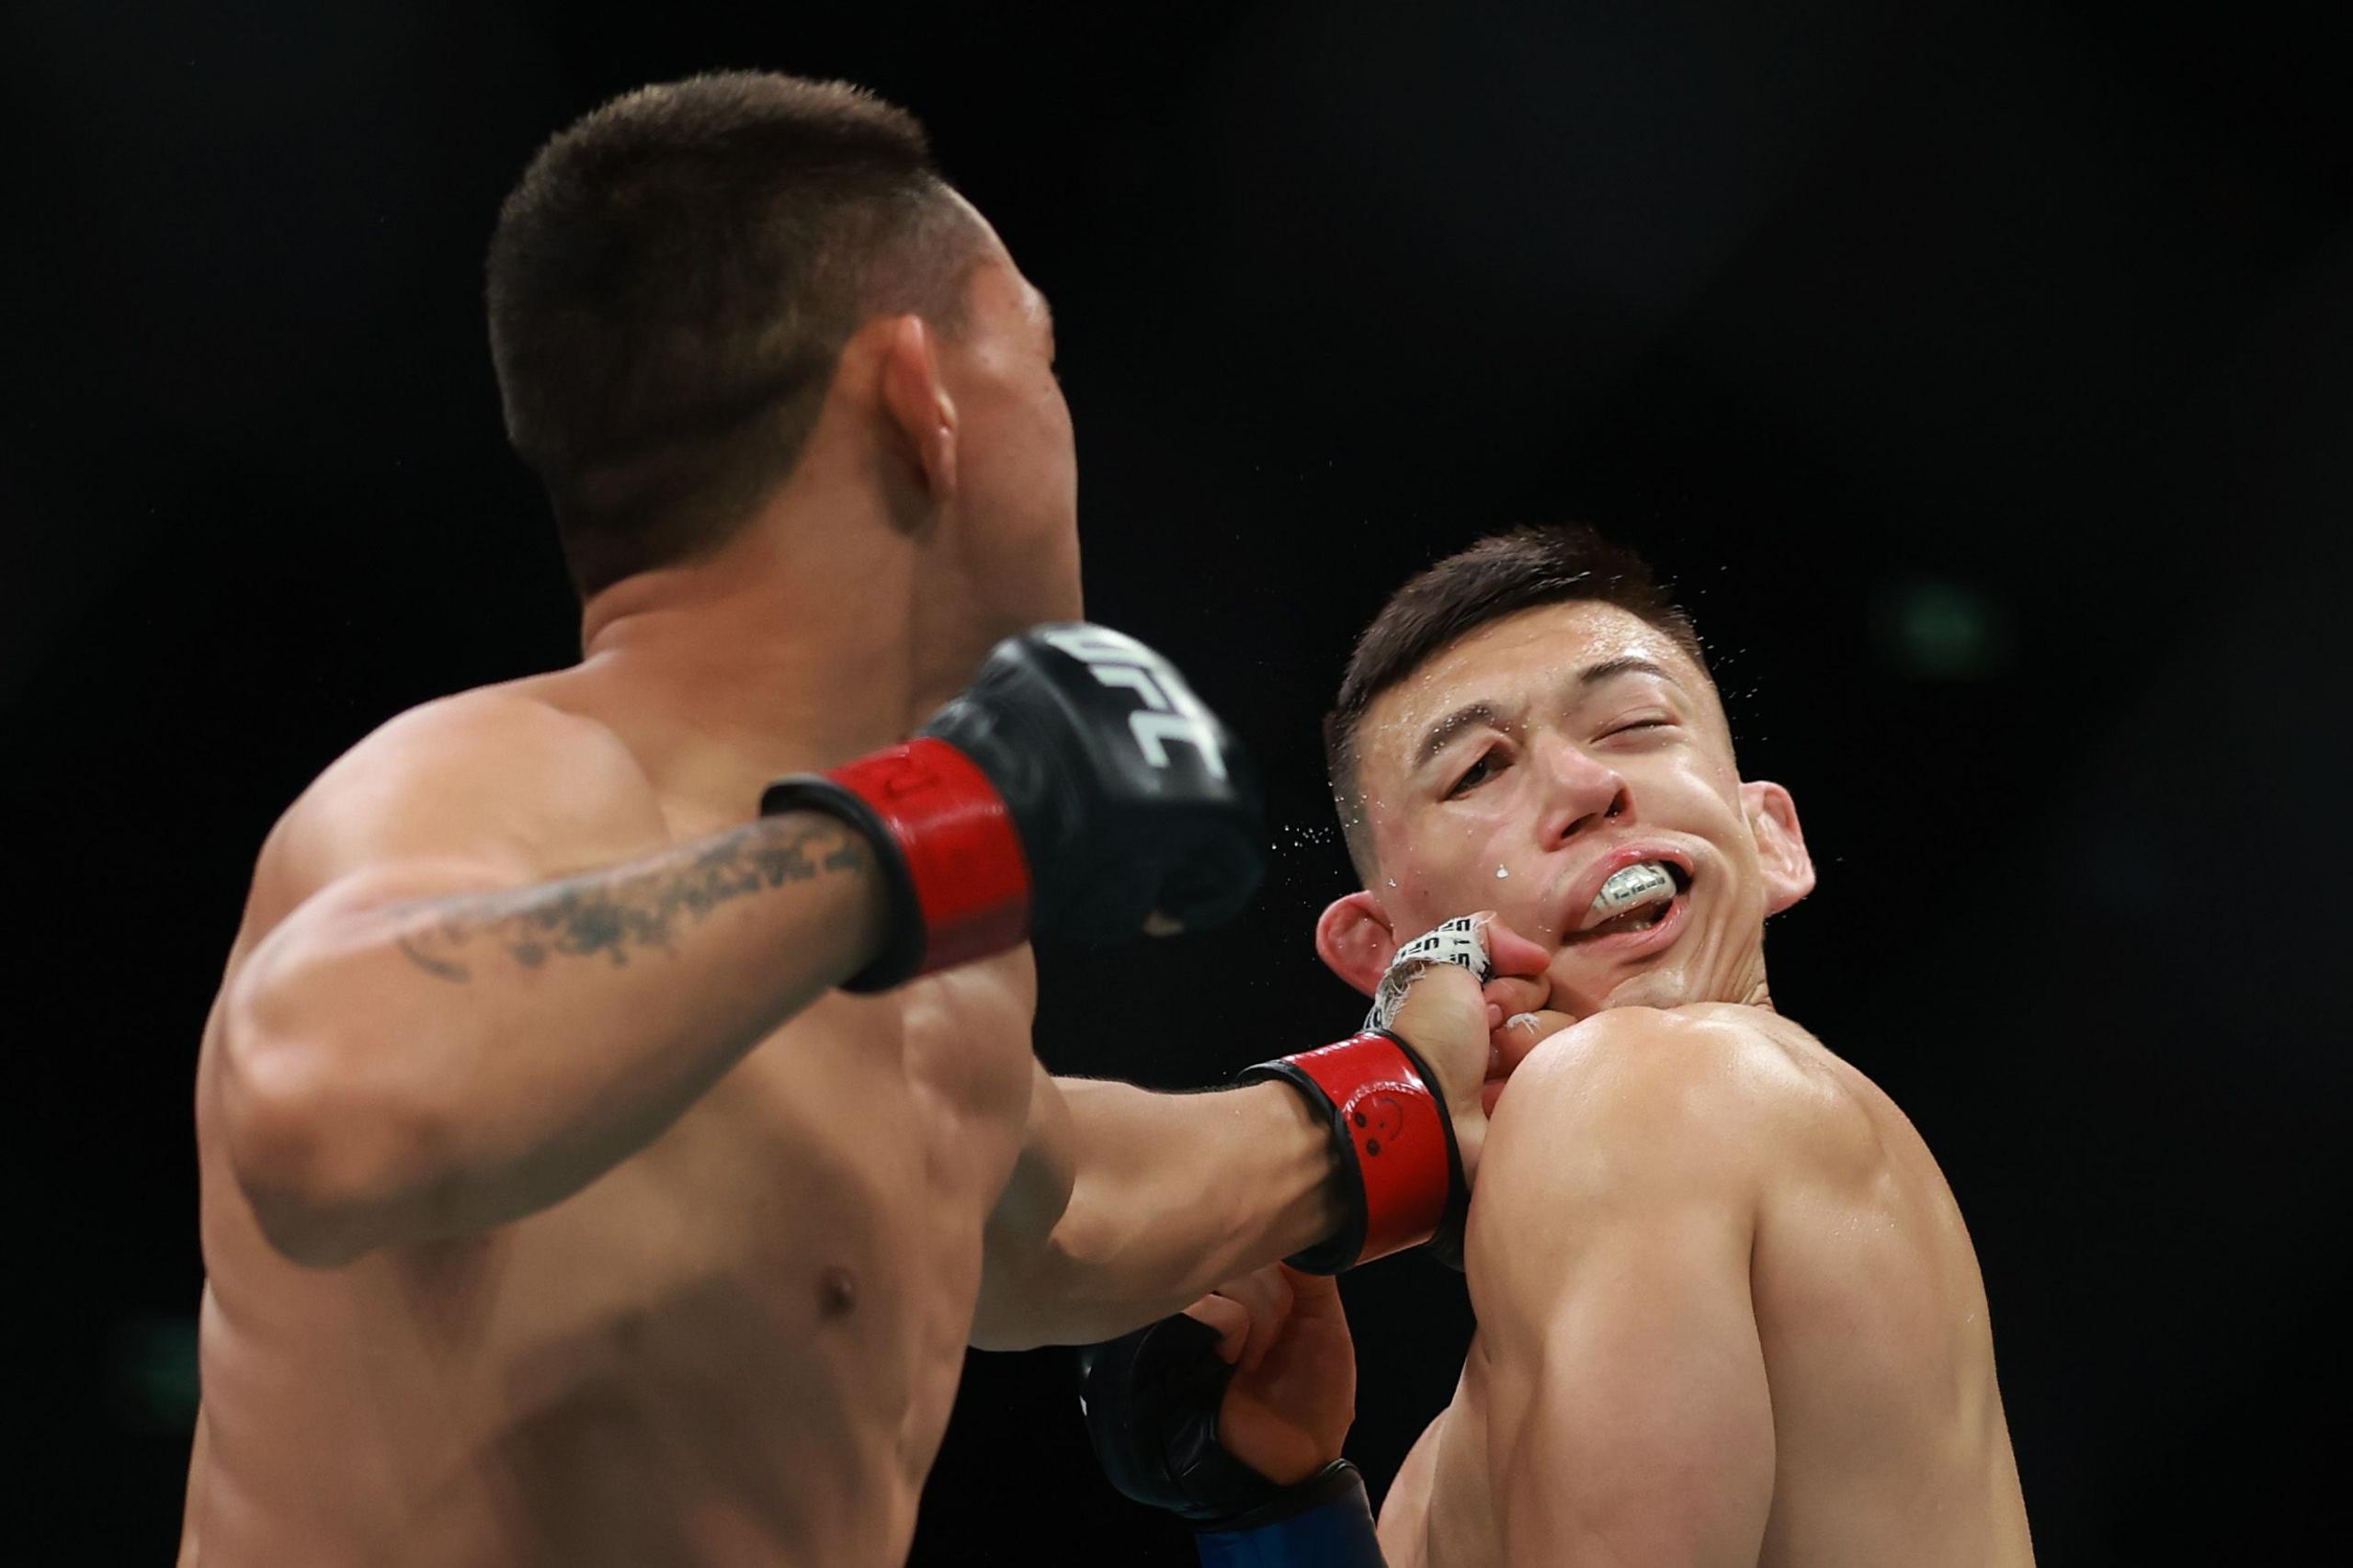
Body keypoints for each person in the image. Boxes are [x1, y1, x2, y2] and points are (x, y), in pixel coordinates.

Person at [176, 73, 1521, 1567]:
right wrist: (944, 814)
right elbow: (322, 1096)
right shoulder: (515, 780)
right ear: (921, 400)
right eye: (1042, 357)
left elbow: (1045, 1212)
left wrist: (1392, 1109)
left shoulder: (921, 954)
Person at [1083, 526, 2036, 1566]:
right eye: (1479, 767)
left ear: (1768, 839)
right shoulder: (1430, 1476)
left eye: (1632, 724)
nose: (1587, 785)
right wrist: (1275, 1517)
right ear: (1382, 949)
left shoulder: (1643, 1076)